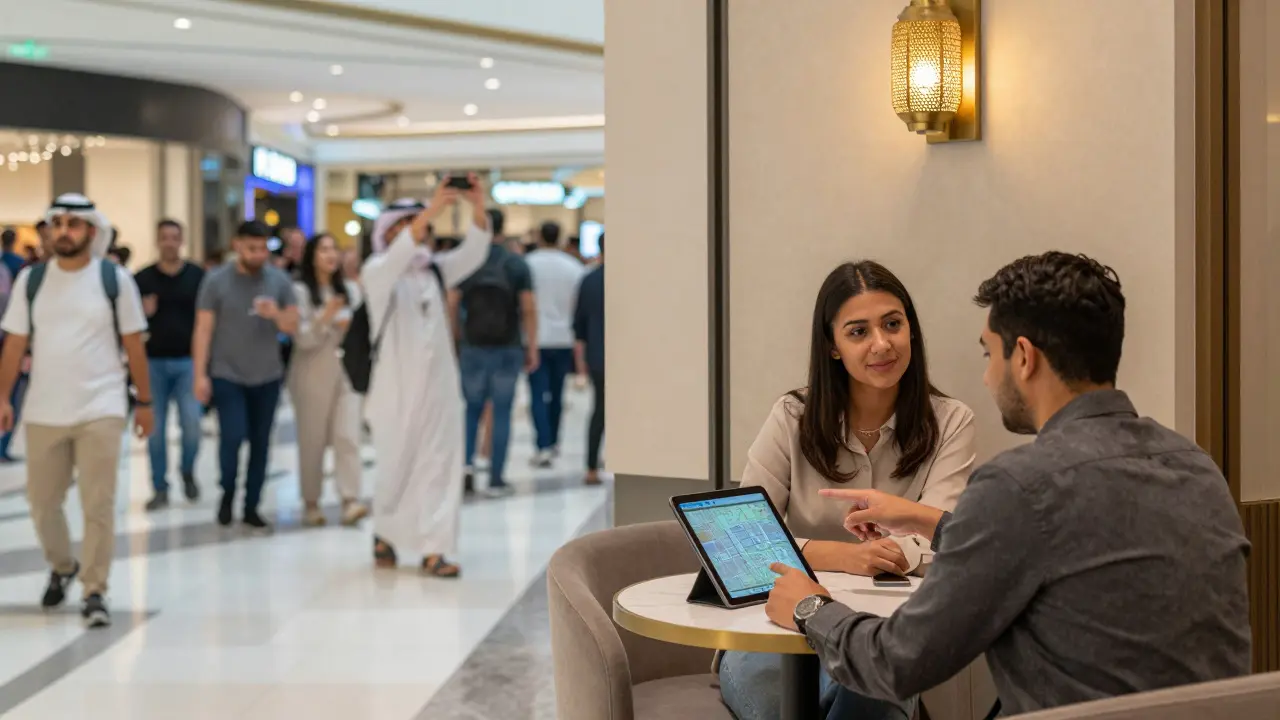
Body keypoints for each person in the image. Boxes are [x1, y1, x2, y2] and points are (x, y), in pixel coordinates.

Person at [767, 252, 1252, 718]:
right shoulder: (1196, 467)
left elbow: (894, 662)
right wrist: (923, 519)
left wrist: (811, 608)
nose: (985, 374)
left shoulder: (1020, 486)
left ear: (1023, 357)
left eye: (988, 353)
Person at [719, 261, 976, 720]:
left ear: (911, 331)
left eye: (893, 325)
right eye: (858, 332)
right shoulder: (791, 417)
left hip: (886, 632)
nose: (882, 344)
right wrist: (843, 556)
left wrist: (899, 550)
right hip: (772, 632)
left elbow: (944, 538)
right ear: (833, 347)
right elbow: (741, 540)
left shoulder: (952, 422)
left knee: (876, 682)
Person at [0, 194, 153, 629]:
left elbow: (134, 343)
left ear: (91, 230)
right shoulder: (32, 280)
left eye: (74, 223)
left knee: (98, 503)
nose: (64, 231)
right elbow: (13, 342)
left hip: (101, 406)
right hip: (45, 409)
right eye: (58, 223)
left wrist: (144, 402)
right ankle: (63, 564)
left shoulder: (114, 279)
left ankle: (95, 588)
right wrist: (2, 397)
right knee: (43, 504)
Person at [362, 176, 490, 577]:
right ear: (388, 233)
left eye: (419, 226)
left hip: (439, 391)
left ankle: (436, 549)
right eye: (403, 226)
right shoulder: (377, 272)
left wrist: (477, 205)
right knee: (395, 468)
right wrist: (431, 210)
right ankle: (387, 532)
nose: (416, 233)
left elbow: (474, 251)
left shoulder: (436, 272)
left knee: (440, 465)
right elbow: (398, 256)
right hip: (393, 393)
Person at [192, 220, 298, 531]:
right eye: (251, 248)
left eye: (263, 249)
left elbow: (292, 325)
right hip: (227, 373)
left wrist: (275, 315)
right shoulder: (215, 281)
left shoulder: (279, 280)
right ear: (237, 246)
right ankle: (227, 492)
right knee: (232, 436)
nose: (258, 255)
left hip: (267, 375)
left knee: (262, 443)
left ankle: (252, 504)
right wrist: (200, 374)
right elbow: (203, 329)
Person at [452, 208, 538, 498]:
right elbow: (527, 307)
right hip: (508, 346)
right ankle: (497, 478)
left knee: (470, 410)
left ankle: (466, 468)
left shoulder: (467, 262)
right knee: (501, 412)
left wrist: (455, 338)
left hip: (473, 346)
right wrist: (531, 345)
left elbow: (451, 303)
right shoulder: (515, 263)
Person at [289, 232, 369, 527]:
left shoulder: (351, 289)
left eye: (333, 248)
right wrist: (326, 316)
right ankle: (312, 501)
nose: (331, 255)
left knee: (348, 436)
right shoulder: (299, 291)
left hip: (346, 373)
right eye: (323, 249)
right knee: (312, 439)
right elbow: (303, 338)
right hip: (311, 373)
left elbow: (362, 332)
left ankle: (350, 498)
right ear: (311, 256)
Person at [134, 219, 205, 510]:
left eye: (174, 237)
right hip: (153, 362)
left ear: (182, 240)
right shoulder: (142, 279)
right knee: (156, 430)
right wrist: (144, 313)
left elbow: (206, 321)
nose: (169, 243)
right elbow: (130, 325)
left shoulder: (197, 276)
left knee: (192, 425)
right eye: (164, 237)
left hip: (188, 361)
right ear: (157, 241)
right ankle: (159, 486)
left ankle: (187, 470)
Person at [524, 221, 585, 467]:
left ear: (538, 235)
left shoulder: (528, 264)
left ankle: (542, 444)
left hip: (535, 339)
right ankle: (555, 441)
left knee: (537, 393)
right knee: (558, 393)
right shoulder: (573, 267)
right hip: (564, 338)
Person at [573, 233, 608, 486]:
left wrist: (581, 362)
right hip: (630, 363)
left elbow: (579, 326)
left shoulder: (589, 280)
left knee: (599, 411)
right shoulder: (631, 281)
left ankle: (591, 467)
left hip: (597, 356)